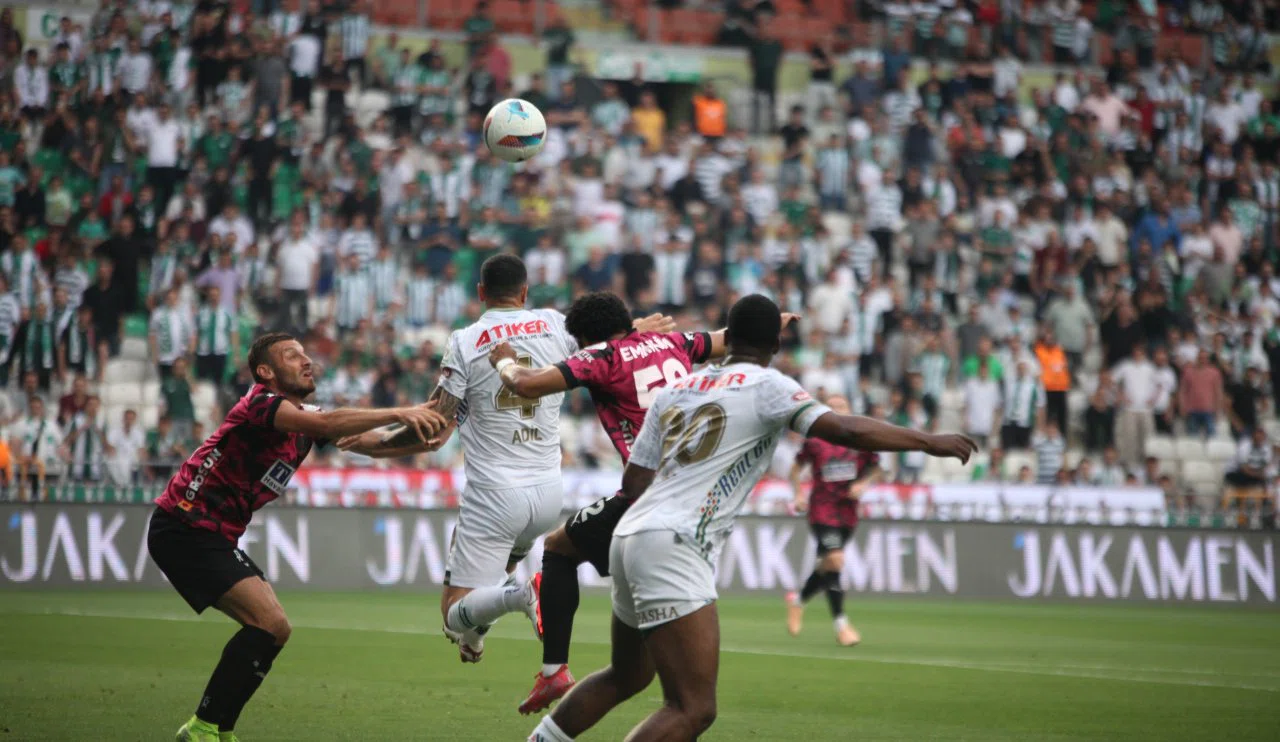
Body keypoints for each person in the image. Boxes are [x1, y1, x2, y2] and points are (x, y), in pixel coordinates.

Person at [526, 294, 976, 742]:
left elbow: (636, 479)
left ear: (728, 336)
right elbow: (846, 429)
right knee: (692, 708)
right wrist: (927, 441)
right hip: (676, 544)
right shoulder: (768, 386)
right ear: (775, 346)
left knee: (626, 677)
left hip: (629, 535)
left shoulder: (680, 389)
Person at [484, 291, 776, 714]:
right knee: (643, 670)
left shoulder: (600, 356)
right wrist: (773, 320)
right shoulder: (676, 343)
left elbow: (527, 384)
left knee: (557, 549)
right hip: (694, 494)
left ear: (585, 337)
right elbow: (724, 338)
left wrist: (504, 359)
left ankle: (553, 672)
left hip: (648, 496)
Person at [149, 333, 447, 742]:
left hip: (213, 535)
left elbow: (373, 445)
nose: (307, 361)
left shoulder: (304, 420)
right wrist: (402, 410)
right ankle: (203, 728)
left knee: (274, 629)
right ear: (265, 372)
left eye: (307, 355)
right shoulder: (258, 405)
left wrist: (432, 429)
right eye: (293, 356)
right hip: (183, 526)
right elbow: (329, 423)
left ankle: (215, 729)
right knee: (269, 622)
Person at [338, 256, 581, 663]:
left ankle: (524, 595)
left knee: (452, 615)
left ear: (481, 293)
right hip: (549, 493)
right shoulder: (556, 324)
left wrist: (366, 443)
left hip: (496, 496)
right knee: (486, 590)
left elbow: (433, 431)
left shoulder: (467, 340)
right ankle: (477, 638)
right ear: (525, 292)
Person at [786, 394, 882, 646]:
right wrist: (798, 493)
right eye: (833, 406)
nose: (837, 410)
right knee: (836, 560)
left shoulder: (860, 440)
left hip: (848, 513)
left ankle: (797, 601)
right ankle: (842, 626)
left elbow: (875, 466)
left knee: (829, 564)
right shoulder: (816, 440)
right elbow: (796, 468)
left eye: (842, 406)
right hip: (822, 509)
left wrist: (863, 483)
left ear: (850, 409)